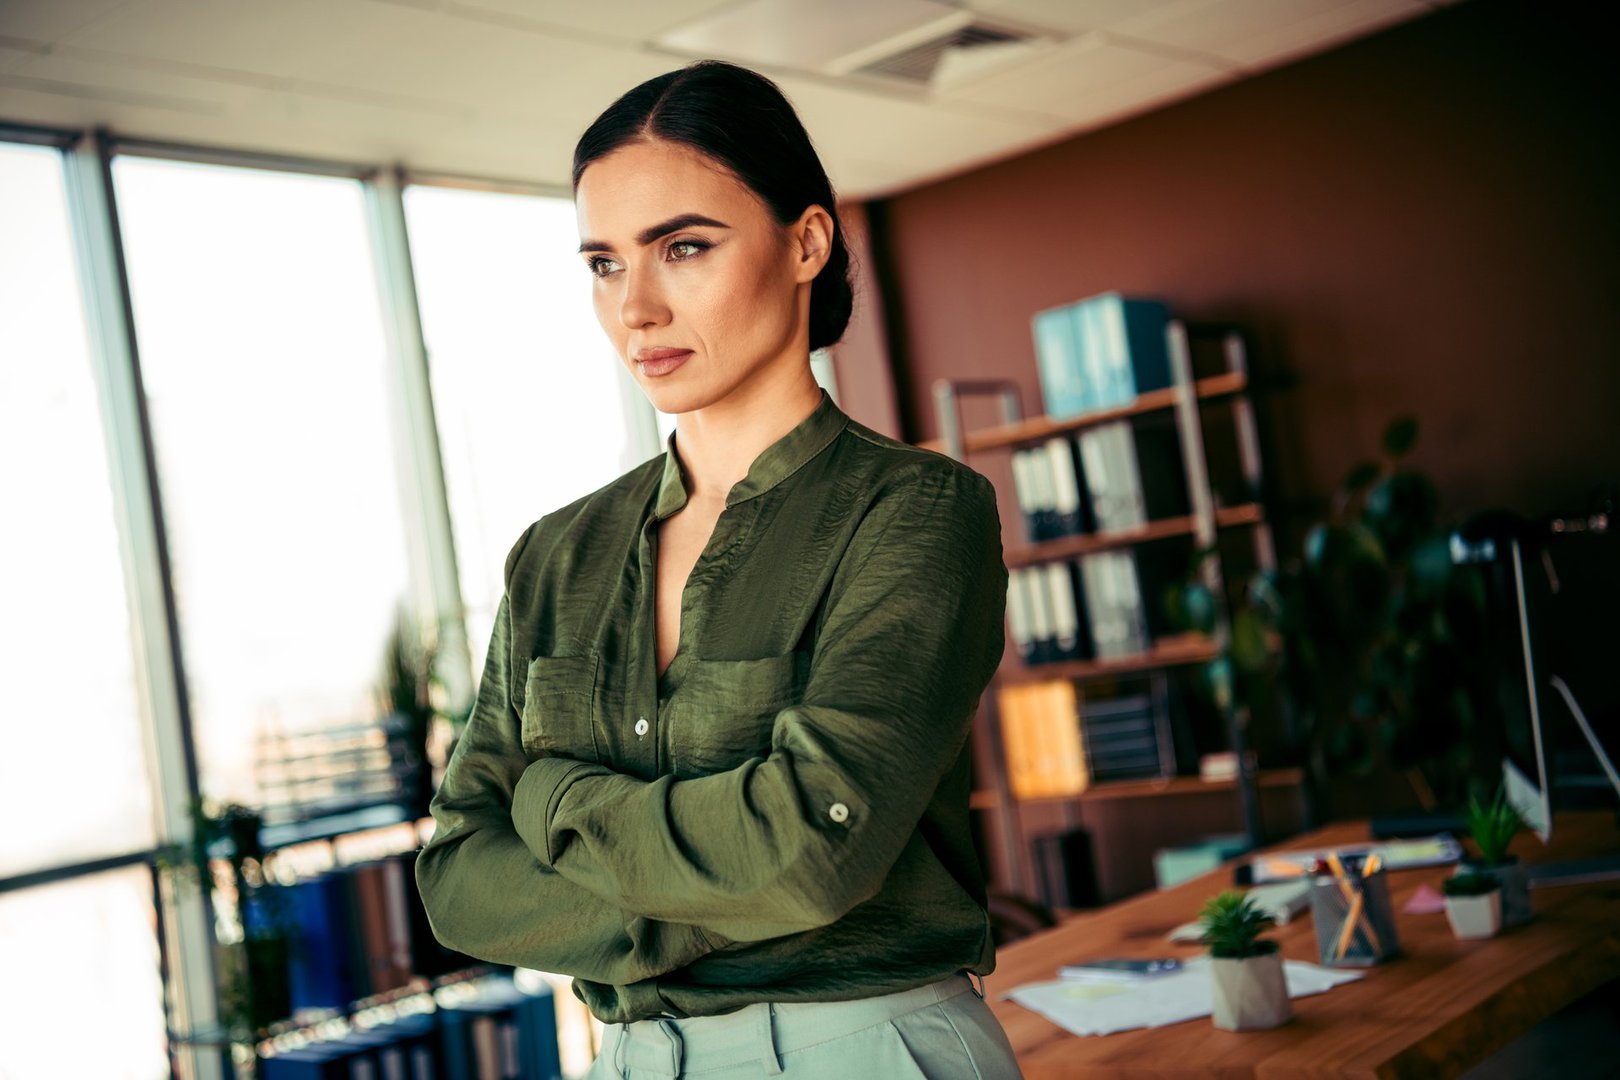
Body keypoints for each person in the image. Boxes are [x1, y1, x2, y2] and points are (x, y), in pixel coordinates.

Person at [414, 59, 1022, 1079]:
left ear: (806, 243)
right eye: (603, 263)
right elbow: (460, 879)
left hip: (864, 1049)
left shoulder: (915, 512)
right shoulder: (555, 557)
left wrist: (555, 801)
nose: (635, 309)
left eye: (683, 248)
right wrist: (726, 894)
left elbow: (812, 850)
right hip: (630, 1060)